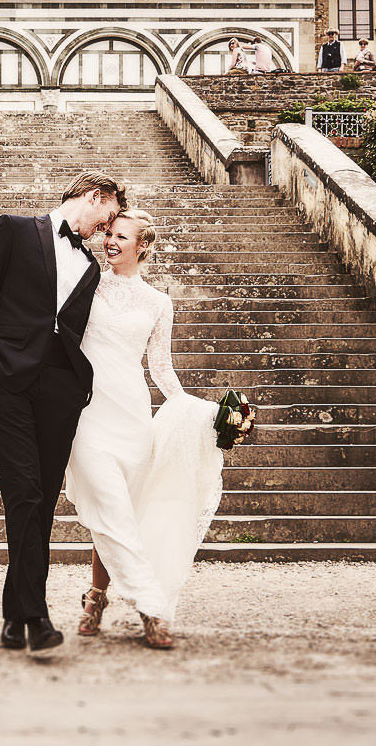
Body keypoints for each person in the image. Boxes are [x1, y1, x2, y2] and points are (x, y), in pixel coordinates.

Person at [0, 172, 128, 655]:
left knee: (40, 505)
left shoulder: (90, 267)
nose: (109, 226)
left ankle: (14, 614)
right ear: (94, 197)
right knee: (25, 494)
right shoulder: (15, 229)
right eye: (110, 214)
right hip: (8, 386)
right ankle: (37, 617)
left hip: (59, 393)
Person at [66, 210, 224, 651]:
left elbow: (161, 369)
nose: (110, 242)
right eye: (109, 234)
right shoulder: (86, 284)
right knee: (110, 503)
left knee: (119, 511)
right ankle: (152, 609)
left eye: (121, 236)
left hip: (133, 415)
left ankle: (96, 597)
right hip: (88, 412)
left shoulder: (158, 302)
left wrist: (204, 411)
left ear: (143, 246)